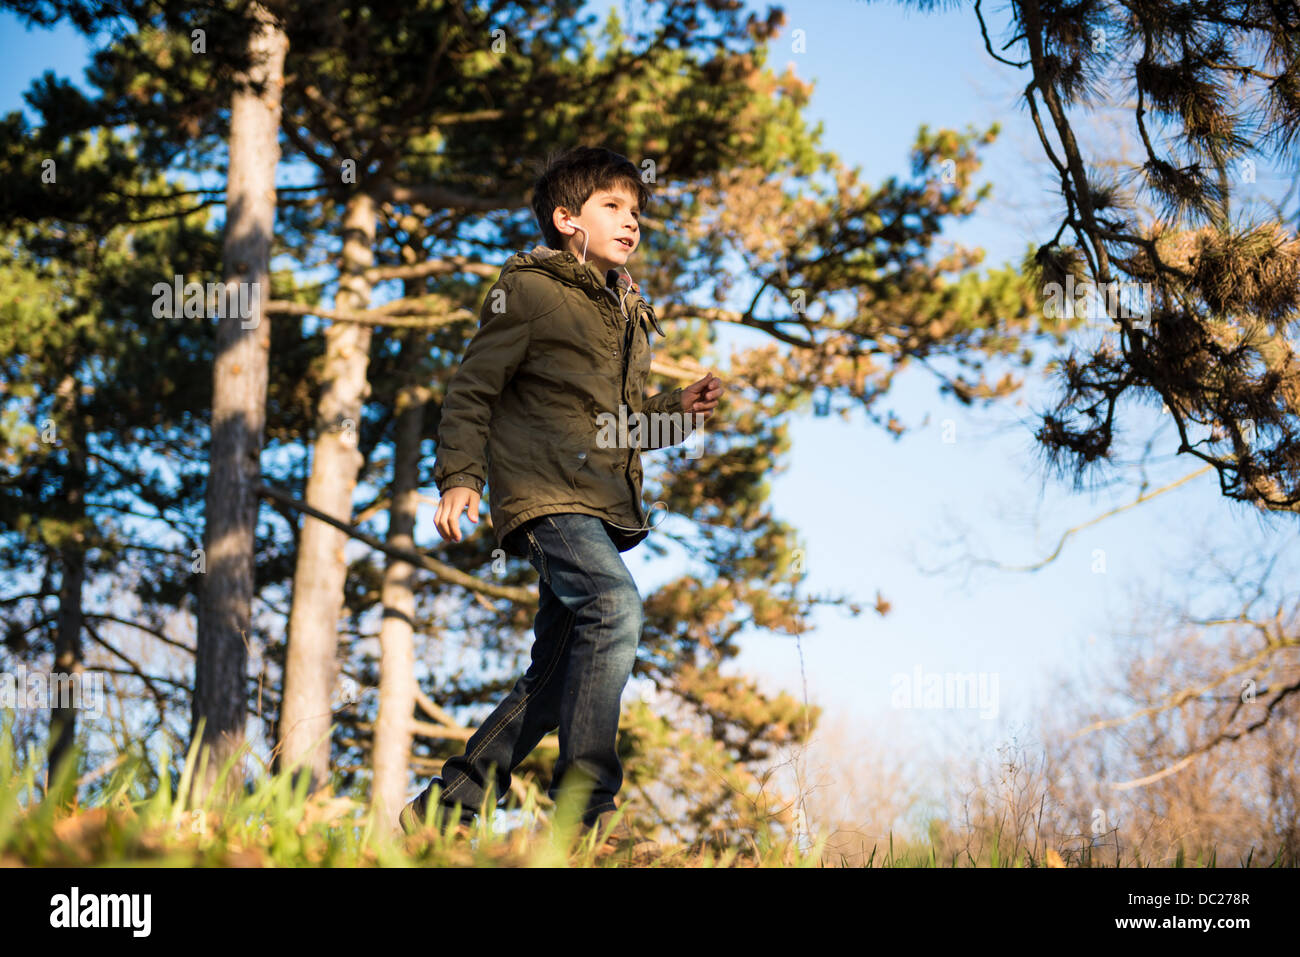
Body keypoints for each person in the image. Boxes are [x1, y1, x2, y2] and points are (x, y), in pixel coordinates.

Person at [399, 145, 723, 853]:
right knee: (615, 607)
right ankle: (586, 812)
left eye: (636, 211)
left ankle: (442, 809)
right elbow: (472, 387)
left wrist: (678, 413)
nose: (631, 222)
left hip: (596, 503)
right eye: (613, 206)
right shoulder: (530, 289)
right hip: (546, 495)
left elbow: (622, 423)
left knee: (551, 681)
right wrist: (461, 476)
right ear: (567, 219)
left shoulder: (628, 311)